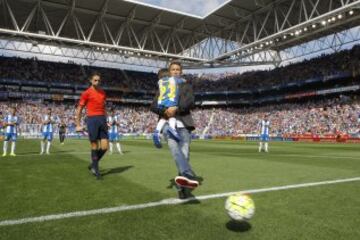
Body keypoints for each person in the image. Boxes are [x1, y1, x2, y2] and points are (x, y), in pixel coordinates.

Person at [151, 61, 199, 199]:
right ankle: (187, 172)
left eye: (178, 69)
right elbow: (153, 105)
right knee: (174, 148)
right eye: (173, 69)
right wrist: (166, 110)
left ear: (181, 71)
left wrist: (176, 108)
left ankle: (183, 187)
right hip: (167, 122)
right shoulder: (163, 84)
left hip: (184, 124)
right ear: (169, 71)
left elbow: (190, 102)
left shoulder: (187, 86)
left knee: (185, 154)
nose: (176, 71)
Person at [76, 72, 108, 180]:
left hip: (102, 119)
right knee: (94, 145)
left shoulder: (103, 92)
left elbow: (104, 107)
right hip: (92, 120)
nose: (97, 82)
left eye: (99, 80)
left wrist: (106, 120)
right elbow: (79, 109)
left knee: (105, 147)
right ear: (91, 80)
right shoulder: (86, 93)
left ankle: (93, 164)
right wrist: (78, 124)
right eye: (95, 80)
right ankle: (96, 170)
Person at [152, 69, 184, 148]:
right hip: (170, 101)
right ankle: (172, 128)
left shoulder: (159, 82)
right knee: (173, 116)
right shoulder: (173, 79)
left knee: (164, 117)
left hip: (161, 102)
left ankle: (157, 131)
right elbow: (181, 81)